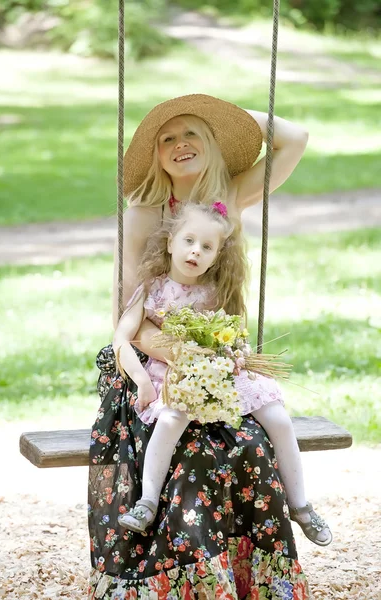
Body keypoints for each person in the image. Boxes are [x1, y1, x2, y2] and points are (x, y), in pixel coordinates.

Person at [88, 94, 313, 599]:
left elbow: (294, 138)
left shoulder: (230, 196)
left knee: (252, 445)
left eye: (193, 133)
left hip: (221, 364)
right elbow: (125, 317)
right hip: (148, 362)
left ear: (211, 144)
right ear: (155, 155)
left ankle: (249, 579)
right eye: (166, 138)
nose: (180, 144)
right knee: (192, 452)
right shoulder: (144, 213)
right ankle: (180, 583)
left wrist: (223, 115)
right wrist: (169, 352)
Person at [113, 201, 332, 547]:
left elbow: (233, 335)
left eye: (206, 247)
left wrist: (236, 354)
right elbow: (121, 340)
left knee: (277, 416)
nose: (195, 251)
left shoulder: (214, 294)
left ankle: (301, 505)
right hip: (177, 373)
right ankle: (147, 503)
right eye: (189, 241)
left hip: (221, 369)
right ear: (170, 242)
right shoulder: (151, 289)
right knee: (171, 420)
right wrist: (140, 379)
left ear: (216, 256)